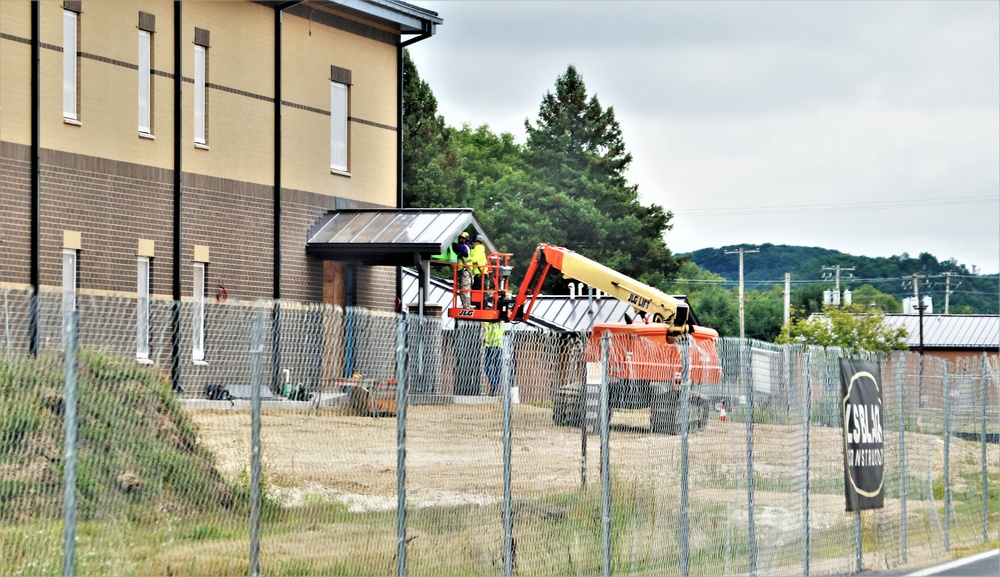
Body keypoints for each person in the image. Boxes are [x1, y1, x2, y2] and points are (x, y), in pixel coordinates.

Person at [452, 231, 473, 308]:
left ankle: (467, 306)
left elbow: (464, 252)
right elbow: (456, 250)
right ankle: (465, 305)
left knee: (465, 288)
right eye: (460, 238)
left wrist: (454, 244)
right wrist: (454, 245)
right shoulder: (462, 247)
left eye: (462, 238)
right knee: (462, 289)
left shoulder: (466, 247)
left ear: (466, 240)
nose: (461, 239)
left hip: (466, 271)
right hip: (463, 271)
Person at [484, 322, 505, 396]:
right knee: (493, 367)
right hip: (492, 347)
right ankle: (495, 385)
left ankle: (494, 386)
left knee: (496, 368)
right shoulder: (488, 322)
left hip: (496, 347)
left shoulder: (499, 322)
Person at [469, 235, 489, 308]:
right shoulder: (480, 249)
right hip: (481, 273)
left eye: (473, 243)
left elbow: (475, 259)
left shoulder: (478, 249)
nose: (472, 244)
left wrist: (468, 259)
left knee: (478, 289)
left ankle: (479, 305)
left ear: (475, 242)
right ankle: (481, 305)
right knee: (481, 290)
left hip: (480, 273)